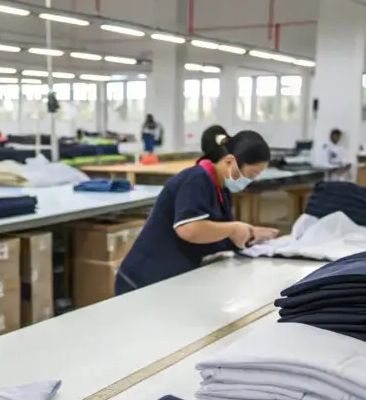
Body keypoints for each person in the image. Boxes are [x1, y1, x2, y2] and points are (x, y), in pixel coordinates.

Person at [115, 125, 279, 295]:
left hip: (171, 279)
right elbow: (189, 229)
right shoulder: (196, 179)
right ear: (230, 161)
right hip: (143, 281)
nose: (249, 181)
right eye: (250, 175)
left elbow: (214, 233)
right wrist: (233, 228)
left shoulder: (220, 188)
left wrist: (249, 234)